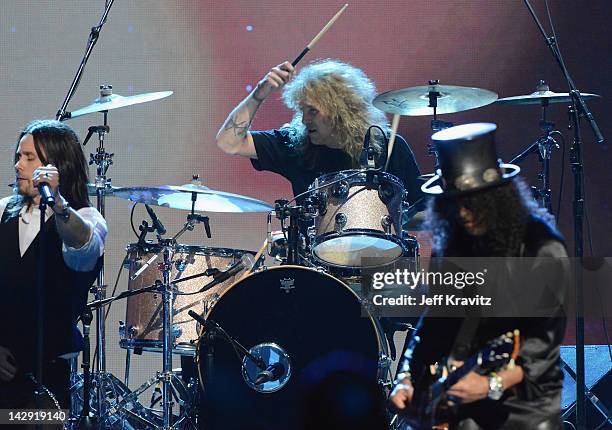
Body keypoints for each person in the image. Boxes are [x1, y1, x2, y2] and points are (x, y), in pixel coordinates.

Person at [389, 123, 568, 429]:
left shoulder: (543, 246)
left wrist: (490, 385)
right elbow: (435, 318)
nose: (464, 213)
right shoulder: (454, 243)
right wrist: (407, 375)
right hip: (461, 397)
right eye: (454, 204)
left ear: (499, 197)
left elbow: (543, 342)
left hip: (522, 404)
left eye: (473, 203)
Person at [0, 119, 107, 409]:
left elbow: (82, 248)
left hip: (51, 378)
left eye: (29, 158)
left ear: (56, 166)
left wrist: (58, 203)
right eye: (18, 157)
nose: (19, 165)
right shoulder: (3, 212)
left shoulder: (86, 218)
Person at [215, 59, 423, 206]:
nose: (305, 120)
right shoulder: (293, 144)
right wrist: (258, 94)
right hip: (312, 265)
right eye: (302, 110)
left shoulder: (388, 147)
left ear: (342, 112)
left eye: (313, 111)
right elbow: (228, 143)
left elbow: (419, 210)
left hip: (377, 261)